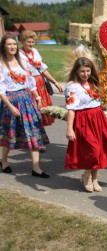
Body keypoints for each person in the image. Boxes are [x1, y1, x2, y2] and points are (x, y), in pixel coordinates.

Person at [64, 56, 107, 192]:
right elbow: (71, 109)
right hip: (83, 120)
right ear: (76, 71)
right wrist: (70, 128)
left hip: (98, 119)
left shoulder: (94, 83)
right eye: (82, 71)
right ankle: (86, 175)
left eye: (88, 71)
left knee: (100, 149)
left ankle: (95, 178)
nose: (85, 74)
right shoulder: (72, 87)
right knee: (93, 150)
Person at [0, 34, 50, 178]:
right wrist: (9, 106)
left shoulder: (22, 61)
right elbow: (1, 88)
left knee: (33, 131)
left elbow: (30, 80)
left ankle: (36, 168)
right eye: (9, 44)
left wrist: (37, 97)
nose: (12, 47)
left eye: (14, 44)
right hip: (10, 100)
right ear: (3, 46)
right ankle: (4, 160)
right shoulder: (1, 64)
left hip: (26, 99)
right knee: (11, 133)